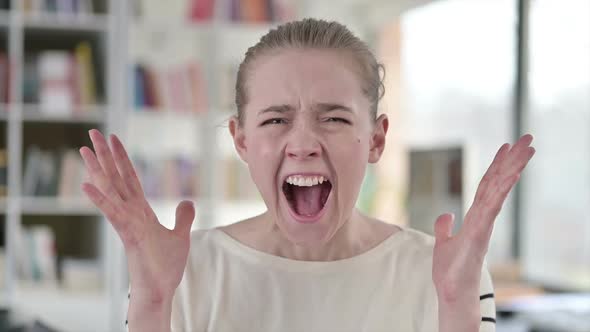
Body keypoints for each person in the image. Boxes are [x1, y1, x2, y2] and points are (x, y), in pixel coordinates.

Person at [79, 18, 535, 332]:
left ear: (376, 140)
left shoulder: (445, 274)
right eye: (276, 119)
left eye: (333, 118)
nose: (302, 143)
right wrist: (154, 305)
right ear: (240, 141)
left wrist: (455, 309)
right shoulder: (183, 272)